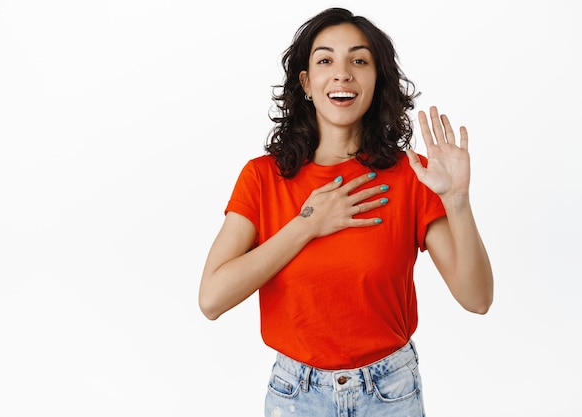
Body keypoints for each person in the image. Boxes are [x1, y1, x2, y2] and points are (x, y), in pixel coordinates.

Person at [198, 7, 493, 417]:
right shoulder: (262, 177)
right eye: (325, 60)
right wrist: (308, 224)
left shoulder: (411, 176)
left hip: (390, 393)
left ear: (377, 80)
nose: (342, 73)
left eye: (359, 60)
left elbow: (477, 299)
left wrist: (457, 201)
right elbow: (212, 299)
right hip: (295, 396)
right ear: (306, 81)